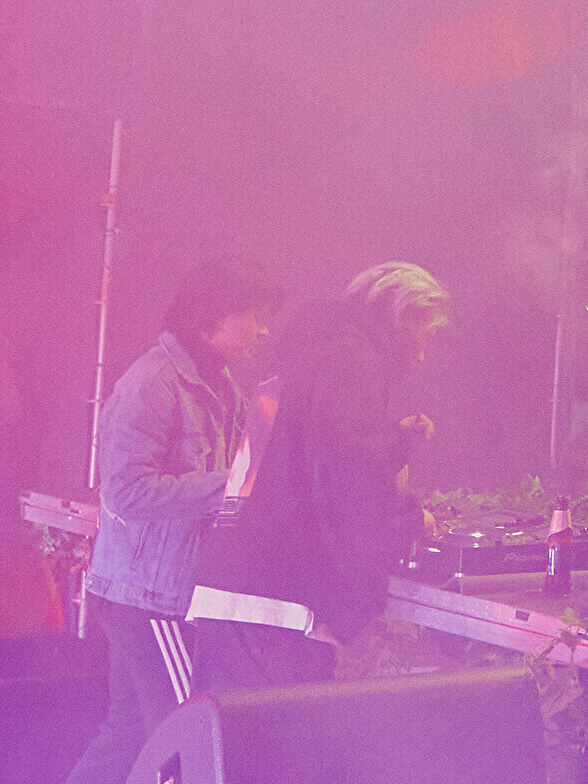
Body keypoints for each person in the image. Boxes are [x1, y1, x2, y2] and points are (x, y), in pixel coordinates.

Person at [34, 255, 280, 784]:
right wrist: (226, 487)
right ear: (213, 317)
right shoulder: (152, 384)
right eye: (253, 315)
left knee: (127, 733)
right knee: (183, 736)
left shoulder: (221, 386)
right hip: (147, 596)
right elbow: (125, 491)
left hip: (157, 590)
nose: (262, 328)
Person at [184, 262, 447, 690]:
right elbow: (351, 472)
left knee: (220, 732)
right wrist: (409, 520)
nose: (424, 352)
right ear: (404, 317)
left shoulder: (309, 355)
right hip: (278, 607)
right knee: (280, 734)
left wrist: (394, 441)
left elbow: (310, 455)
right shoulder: (351, 361)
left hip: (234, 588)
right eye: (427, 333)